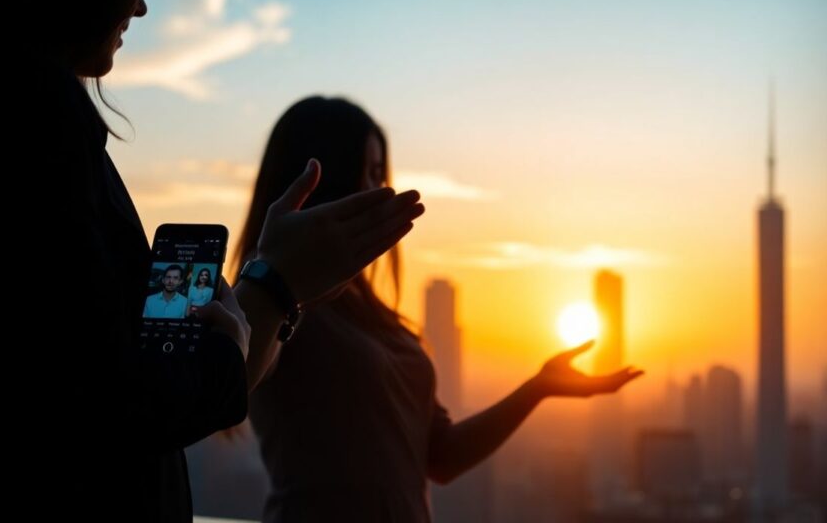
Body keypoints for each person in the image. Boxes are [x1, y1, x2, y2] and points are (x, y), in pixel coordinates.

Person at [0, 0, 424, 520]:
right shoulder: (34, 129)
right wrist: (274, 282)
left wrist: (272, 293)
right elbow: (115, 404)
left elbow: (75, 383)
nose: (140, 7)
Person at [239, 96, 644, 523]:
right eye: (369, 172)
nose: (379, 190)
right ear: (326, 180)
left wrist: (538, 387)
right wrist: (277, 281)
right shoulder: (270, 297)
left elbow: (442, 458)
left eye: (381, 173)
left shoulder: (374, 316)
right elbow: (231, 373)